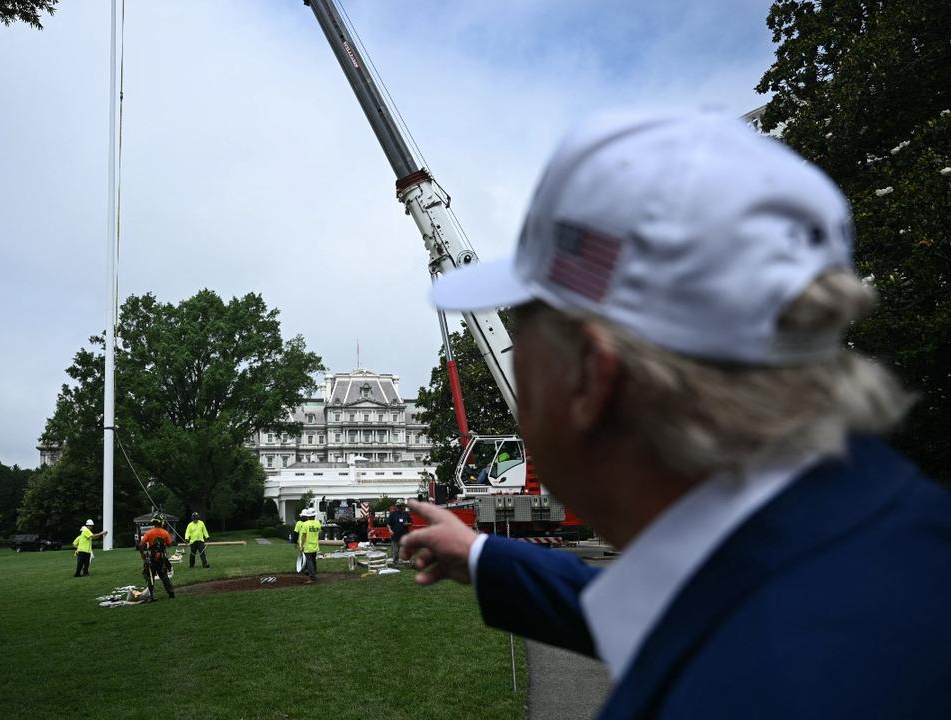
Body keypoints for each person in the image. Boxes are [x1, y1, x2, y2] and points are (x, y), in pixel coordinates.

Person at [400, 112, 951, 718]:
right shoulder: (855, 542)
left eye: (523, 336)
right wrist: (479, 555)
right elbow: (665, 609)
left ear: (589, 376)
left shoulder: (761, 685)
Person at [138, 515, 175, 599]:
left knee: (151, 576)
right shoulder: (165, 532)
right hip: (162, 558)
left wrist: (142, 553)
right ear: (161, 522)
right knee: (163, 575)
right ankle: (171, 592)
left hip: (152, 558)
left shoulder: (149, 532)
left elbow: (141, 544)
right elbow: (169, 544)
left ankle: (150, 594)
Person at [297, 508, 322, 584]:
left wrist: (301, 545)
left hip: (308, 546)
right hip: (315, 545)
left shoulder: (305, 524)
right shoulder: (318, 523)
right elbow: (319, 533)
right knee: (313, 560)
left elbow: (304, 536)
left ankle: (312, 577)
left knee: (309, 561)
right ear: (314, 515)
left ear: (307, 516)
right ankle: (314, 574)